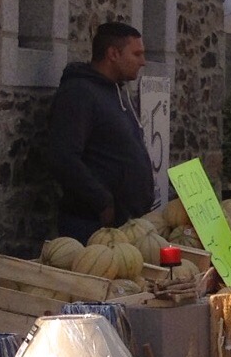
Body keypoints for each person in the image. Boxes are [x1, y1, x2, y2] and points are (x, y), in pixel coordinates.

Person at [48, 22, 157, 241]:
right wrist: (103, 202)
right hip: (91, 225)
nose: (143, 62)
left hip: (126, 225)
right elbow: (63, 156)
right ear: (113, 54)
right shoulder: (79, 93)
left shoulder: (117, 92)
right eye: (136, 54)